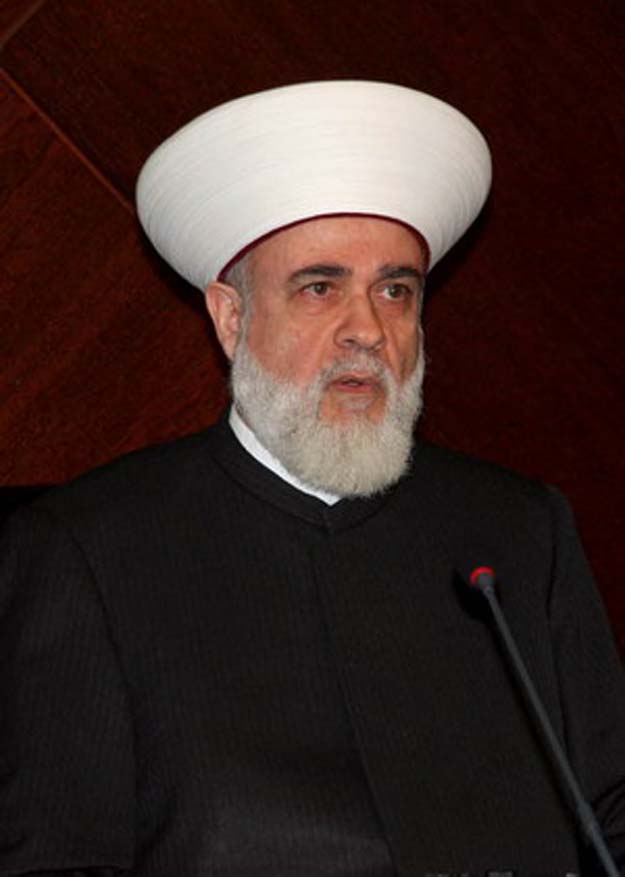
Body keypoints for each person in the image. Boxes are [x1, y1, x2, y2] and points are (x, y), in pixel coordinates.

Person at [1, 81, 624, 877]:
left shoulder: (518, 528)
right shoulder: (84, 548)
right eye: (319, 287)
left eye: (394, 290)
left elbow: (611, 809)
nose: (366, 329)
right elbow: (54, 860)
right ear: (232, 318)